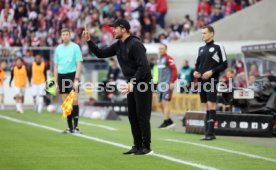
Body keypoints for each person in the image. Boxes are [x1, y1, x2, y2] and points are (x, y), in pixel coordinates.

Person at [82, 19, 153, 155]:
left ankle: (146, 147)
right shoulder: (118, 45)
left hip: (143, 83)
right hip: (131, 83)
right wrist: (89, 41)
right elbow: (100, 54)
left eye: (114, 28)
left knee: (142, 116)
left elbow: (143, 67)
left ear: (124, 29)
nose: (112, 30)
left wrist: (133, 82)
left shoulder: (135, 44)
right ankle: (137, 145)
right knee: (132, 116)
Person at [193, 25, 227, 140]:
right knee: (205, 105)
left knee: (211, 103)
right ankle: (207, 131)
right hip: (201, 81)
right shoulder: (201, 49)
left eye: (205, 33)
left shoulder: (218, 47)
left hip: (212, 80)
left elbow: (224, 64)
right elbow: (197, 64)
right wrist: (196, 72)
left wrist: (212, 71)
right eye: (202, 33)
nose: (203, 35)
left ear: (212, 33)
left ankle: (210, 133)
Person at [54, 28, 83, 134]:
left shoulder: (75, 47)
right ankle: (70, 128)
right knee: (66, 102)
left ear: (70, 35)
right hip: (61, 76)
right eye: (63, 34)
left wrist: (76, 79)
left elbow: (79, 63)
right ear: (61, 36)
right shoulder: (58, 49)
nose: (65, 36)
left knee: (75, 99)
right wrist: (56, 82)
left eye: (67, 34)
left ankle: (76, 127)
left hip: (73, 75)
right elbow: (56, 66)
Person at [157, 43, 177, 129]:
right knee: (160, 104)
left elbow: (175, 70)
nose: (160, 50)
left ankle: (165, 122)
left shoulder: (169, 58)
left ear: (166, 49)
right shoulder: (159, 59)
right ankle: (169, 121)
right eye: (159, 48)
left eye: (162, 48)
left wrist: (172, 82)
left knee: (165, 103)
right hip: (160, 84)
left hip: (167, 84)